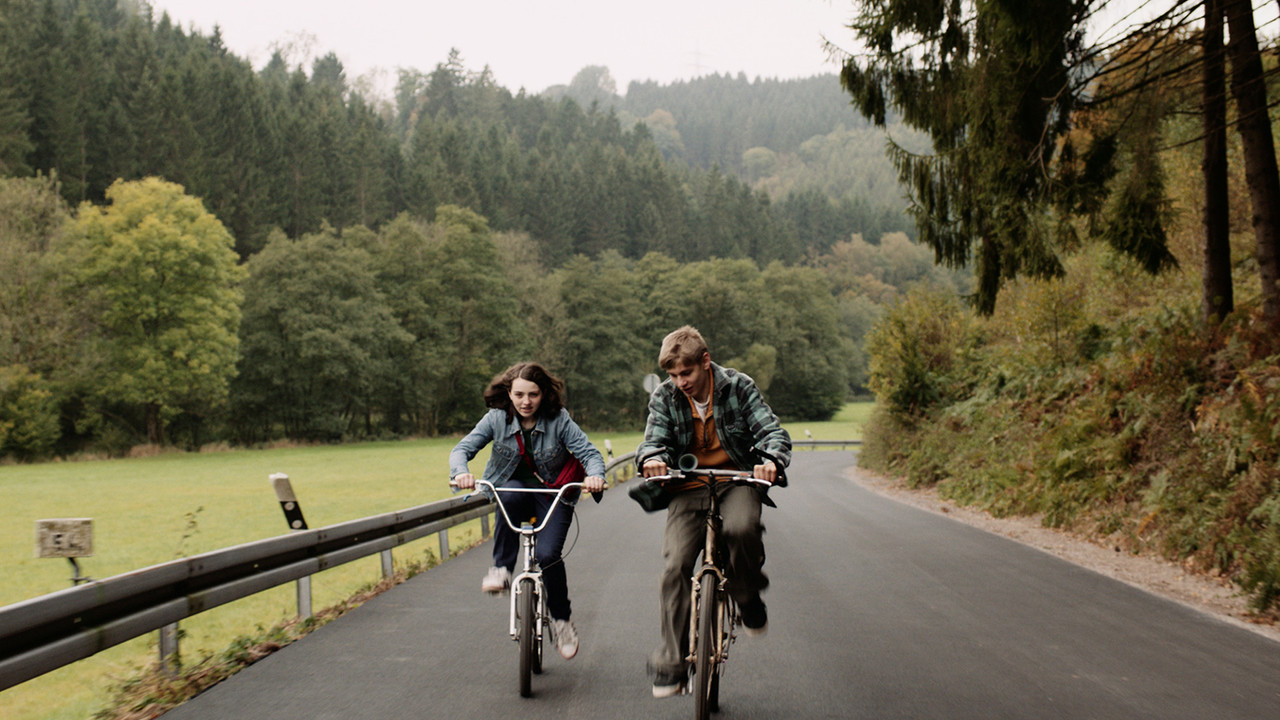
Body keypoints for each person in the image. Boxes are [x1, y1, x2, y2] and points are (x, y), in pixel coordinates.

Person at [636, 326, 791, 698]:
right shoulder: (665, 395)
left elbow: (772, 432)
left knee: (741, 529)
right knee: (675, 565)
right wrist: (653, 458)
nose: (681, 382)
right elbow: (653, 439)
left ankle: (746, 594)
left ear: (705, 361)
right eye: (674, 375)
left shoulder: (738, 386)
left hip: (736, 480)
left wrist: (770, 460)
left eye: (686, 372)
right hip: (687, 486)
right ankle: (671, 663)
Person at [449, 361, 607, 660]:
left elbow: (589, 453)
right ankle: (501, 569)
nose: (526, 402)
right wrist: (461, 472)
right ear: (509, 393)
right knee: (508, 492)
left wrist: (595, 476)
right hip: (516, 494)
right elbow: (462, 450)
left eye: (533, 394)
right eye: (519, 394)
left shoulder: (559, 420)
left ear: (543, 394)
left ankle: (562, 622)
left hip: (553, 496)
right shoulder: (496, 419)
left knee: (548, 556)